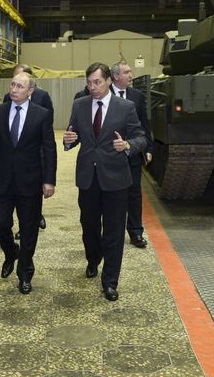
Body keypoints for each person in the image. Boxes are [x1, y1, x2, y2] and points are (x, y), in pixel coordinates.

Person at [63, 62, 147, 301]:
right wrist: (69, 140)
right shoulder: (80, 104)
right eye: (89, 83)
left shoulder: (126, 107)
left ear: (109, 80)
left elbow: (141, 137)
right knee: (89, 226)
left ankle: (110, 281)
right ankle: (93, 258)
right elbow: (73, 135)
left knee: (114, 231)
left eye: (97, 82)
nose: (92, 87)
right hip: (88, 178)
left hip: (116, 179)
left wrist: (128, 145)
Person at [0, 72, 57, 295]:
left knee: (29, 229)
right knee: (0, 224)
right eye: (12, 85)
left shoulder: (41, 114)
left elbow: (49, 148)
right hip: (3, 180)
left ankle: (25, 273)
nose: (13, 89)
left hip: (30, 181)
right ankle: (11, 252)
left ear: (30, 91)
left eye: (19, 86)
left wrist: (49, 180)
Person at [110, 61, 153, 248]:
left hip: (133, 153)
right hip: (111, 154)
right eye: (127, 72)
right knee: (111, 195)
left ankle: (136, 232)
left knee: (134, 194)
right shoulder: (104, 94)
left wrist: (148, 148)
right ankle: (112, 232)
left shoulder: (137, 95)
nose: (131, 75)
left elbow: (144, 124)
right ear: (116, 76)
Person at [13, 63, 51, 231]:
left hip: (36, 152)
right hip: (16, 155)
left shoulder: (42, 96)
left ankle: (35, 217)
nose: (16, 84)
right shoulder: (9, 98)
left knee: (33, 191)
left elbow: (47, 125)